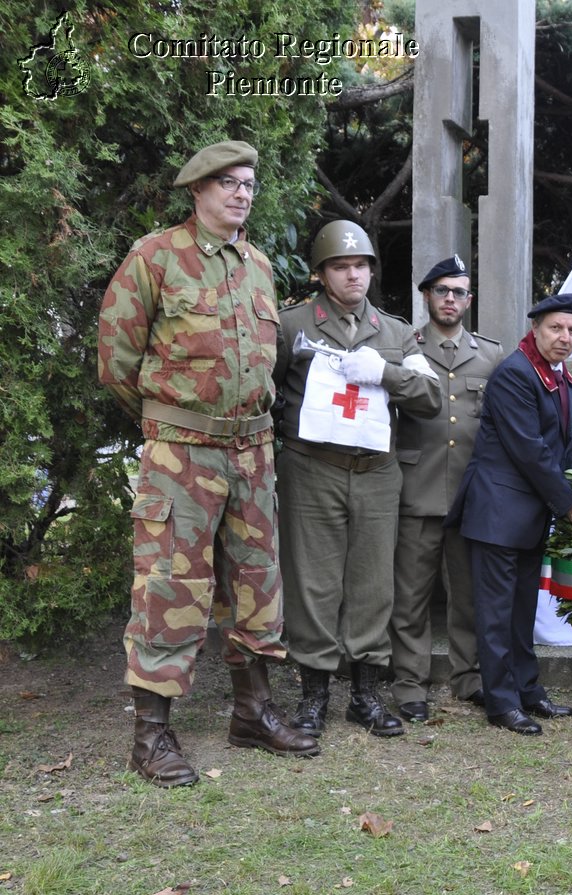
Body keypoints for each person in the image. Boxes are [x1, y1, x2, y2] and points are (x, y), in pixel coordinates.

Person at [98, 138, 317, 786]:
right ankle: (152, 735)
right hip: (182, 455)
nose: (241, 193)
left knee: (259, 587)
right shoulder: (155, 258)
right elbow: (117, 362)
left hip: (252, 453)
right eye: (227, 183)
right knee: (171, 586)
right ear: (197, 190)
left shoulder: (257, 265)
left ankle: (253, 713)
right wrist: (176, 421)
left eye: (248, 183)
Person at [275, 221, 442, 738]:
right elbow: (268, 388)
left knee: (373, 583)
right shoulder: (292, 325)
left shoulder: (396, 333)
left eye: (362, 265)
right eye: (342, 266)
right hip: (312, 468)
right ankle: (314, 696)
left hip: (376, 473)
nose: (354, 275)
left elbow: (431, 399)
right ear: (322, 273)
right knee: (314, 582)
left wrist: (385, 373)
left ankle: (365, 695)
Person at [447, 292, 572, 736]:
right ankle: (501, 702)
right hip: (497, 512)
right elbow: (529, 451)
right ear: (535, 329)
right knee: (496, 613)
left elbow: (564, 450)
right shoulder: (515, 374)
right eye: (556, 328)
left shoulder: (563, 380)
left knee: (521, 611)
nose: (565, 337)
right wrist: (570, 503)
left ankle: (527, 690)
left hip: (532, 515)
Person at [386, 256, 505, 722]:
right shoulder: (404, 348)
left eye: (459, 292)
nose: (450, 299)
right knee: (410, 596)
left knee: (469, 593)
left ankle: (469, 676)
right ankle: (410, 683)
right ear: (427, 296)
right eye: (442, 291)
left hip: (470, 496)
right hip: (415, 489)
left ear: (469, 300)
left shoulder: (491, 355)